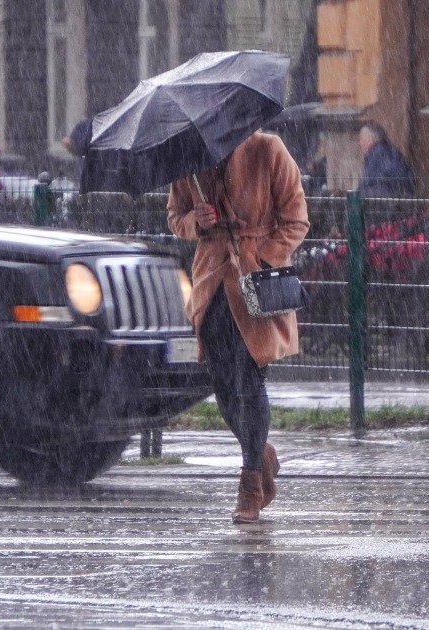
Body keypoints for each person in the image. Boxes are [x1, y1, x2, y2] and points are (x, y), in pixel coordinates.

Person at [167, 131, 309, 524]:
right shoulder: (188, 161)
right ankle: (261, 452)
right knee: (224, 387)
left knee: (249, 381)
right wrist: (196, 221)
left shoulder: (268, 149)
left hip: (255, 285)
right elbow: (175, 218)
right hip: (211, 284)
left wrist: (262, 257)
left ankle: (250, 483)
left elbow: (296, 219)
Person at [358, 121, 415, 197]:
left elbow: (367, 183)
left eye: (361, 139)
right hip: (400, 198)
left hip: (388, 201)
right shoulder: (387, 151)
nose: (359, 143)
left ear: (370, 140)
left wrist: (356, 195)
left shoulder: (376, 155)